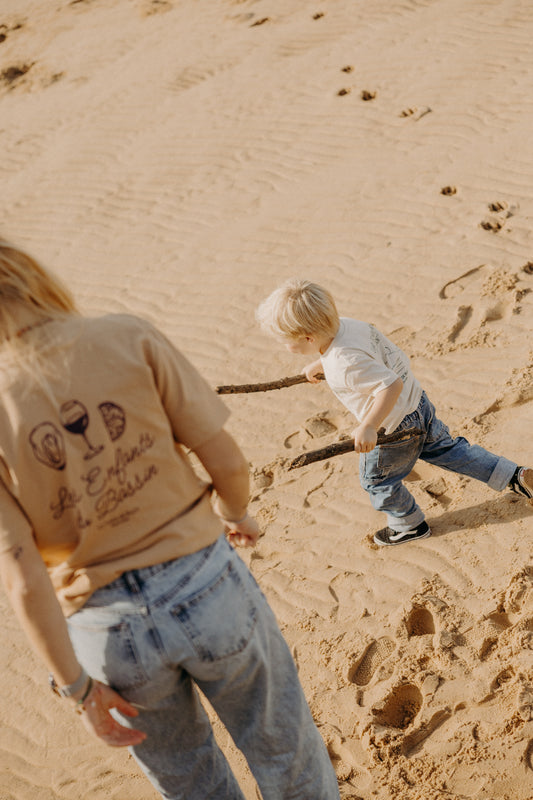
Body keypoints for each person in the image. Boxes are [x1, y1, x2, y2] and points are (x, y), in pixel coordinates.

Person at [0, 241, 340, 800]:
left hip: (106, 628)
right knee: (286, 754)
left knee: (192, 785)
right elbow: (226, 460)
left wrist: (79, 689)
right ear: (35, 278)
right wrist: (237, 514)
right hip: (206, 585)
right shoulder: (125, 335)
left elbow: (21, 577)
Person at [256, 278, 533, 546]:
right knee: (451, 450)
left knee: (377, 480)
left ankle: (408, 525)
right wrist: (321, 364)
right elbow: (358, 354)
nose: (286, 347)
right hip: (418, 404)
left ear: (307, 337)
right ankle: (514, 475)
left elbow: (389, 385)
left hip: (393, 429)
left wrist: (369, 426)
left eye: (286, 342)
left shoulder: (344, 364)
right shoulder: (348, 327)